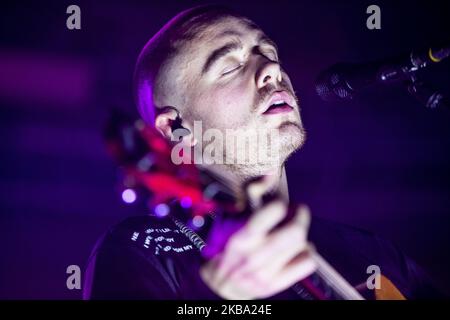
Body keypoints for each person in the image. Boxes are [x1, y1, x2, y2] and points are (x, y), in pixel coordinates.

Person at [83, 5, 443, 300]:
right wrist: (215, 295)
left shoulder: (374, 255)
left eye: (268, 53)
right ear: (175, 131)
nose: (272, 69)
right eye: (230, 66)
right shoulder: (144, 250)